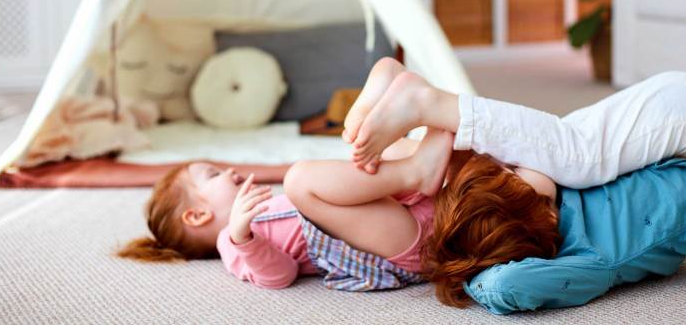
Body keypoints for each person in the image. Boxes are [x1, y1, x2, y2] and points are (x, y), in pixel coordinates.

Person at [116, 125, 562, 292]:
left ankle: (518, 186)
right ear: (197, 215)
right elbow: (279, 276)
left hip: (412, 214)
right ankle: (416, 171)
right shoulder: (232, 242)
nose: (230, 171)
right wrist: (241, 236)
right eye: (213, 175)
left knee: (537, 185)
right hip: (397, 246)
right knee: (301, 177)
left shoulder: (271, 204)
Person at [343, 57, 686, 194]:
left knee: (568, 157)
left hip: (680, 124)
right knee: (573, 158)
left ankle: (421, 110)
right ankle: (425, 102)